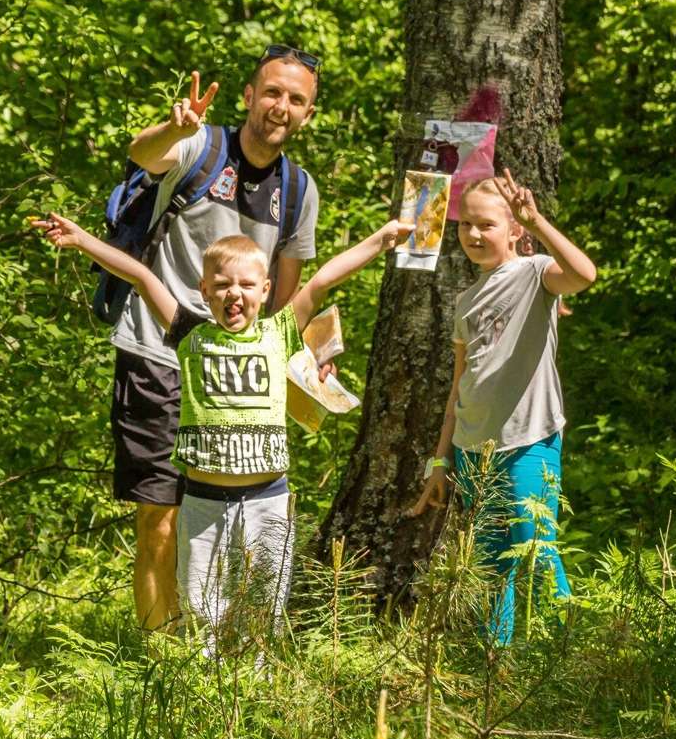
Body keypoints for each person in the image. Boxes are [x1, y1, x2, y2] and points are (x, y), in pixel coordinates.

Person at [34, 211, 412, 650]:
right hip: (202, 504)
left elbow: (323, 279)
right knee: (202, 610)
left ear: (265, 290)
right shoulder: (190, 336)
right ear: (205, 291)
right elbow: (139, 275)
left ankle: (256, 700)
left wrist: (381, 239)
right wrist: (82, 241)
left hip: (267, 502)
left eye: (248, 286)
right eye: (223, 285)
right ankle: (205, 703)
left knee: (264, 612)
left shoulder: (279, 332)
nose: (235, 294)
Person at [111, 46, 323, 632]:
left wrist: (306, 367)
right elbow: (142, 153)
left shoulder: (298, 192)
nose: (282, 106)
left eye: (296, 100)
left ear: (307, 114)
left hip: (234, 379)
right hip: (159, 353)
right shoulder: (201, 147)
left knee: (232, 520)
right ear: (250, 96)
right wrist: (174, 127)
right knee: (159, 516)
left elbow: (283, 307)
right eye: (273, 92)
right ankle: (162, 657)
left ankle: (220, 653)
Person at [408, 171, 597, 644]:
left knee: (535, 551)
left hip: (528, 442)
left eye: (487, 225)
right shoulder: (466, 301)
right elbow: (458, 389)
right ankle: (496, 666)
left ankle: (565, 656)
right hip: (474, 453)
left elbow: (585, 274)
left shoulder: (536, 275)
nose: (473, 234)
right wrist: (440, 461)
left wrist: (539, 220)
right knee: (492, 569)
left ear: (514, 231)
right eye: (466, 225)